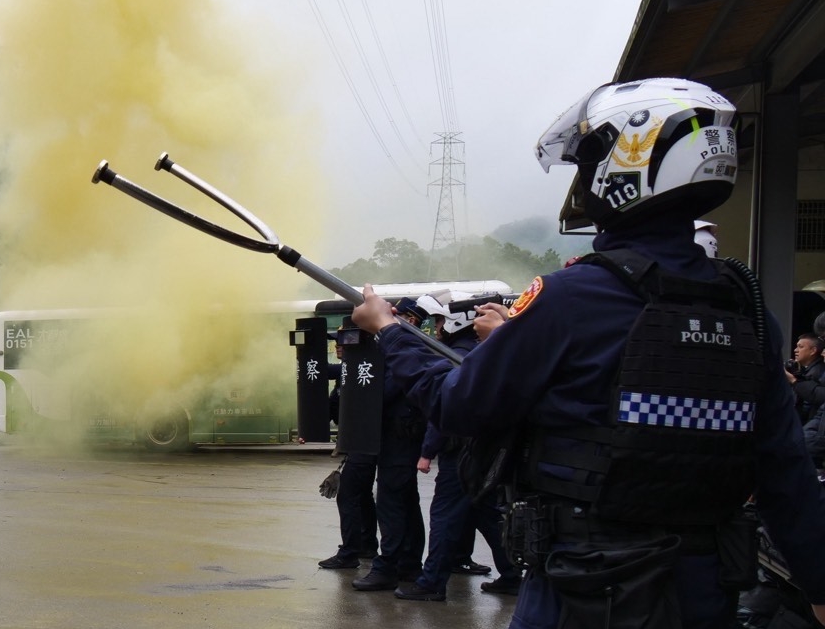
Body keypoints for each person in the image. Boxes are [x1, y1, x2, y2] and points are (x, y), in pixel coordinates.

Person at [352, 77, 825, 628]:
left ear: (626, 164)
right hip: (705, 590)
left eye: (589, 161)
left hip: (581, 587)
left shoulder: (570, 298)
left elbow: (457, 404)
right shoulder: (747, 311)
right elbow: (785, 472)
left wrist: (390, 331)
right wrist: (819, 583)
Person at [396, 294, 522, 602]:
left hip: (460, 452)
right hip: (480, 448)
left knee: (444, 515)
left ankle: (431, 583)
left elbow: (445, 410)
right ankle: (512, 574)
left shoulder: (456, 354)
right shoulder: (477, 350)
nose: (437, 326)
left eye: (440, 320)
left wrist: (427, 451)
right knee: (485, 512)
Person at [351, 302, 428, 591]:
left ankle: (389, 567)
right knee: (406, 502)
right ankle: (409, 564)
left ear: (410, 320)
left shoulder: (404, 352)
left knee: (392, 504)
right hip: (399, 439)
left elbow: (383, 392)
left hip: (400, 439)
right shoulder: (411, 348)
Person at [321, 334, 380, 570]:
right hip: (357, 442)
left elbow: (324, 370)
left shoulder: (359, 367)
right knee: (362, 495)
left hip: (363, 443)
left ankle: (349, 553)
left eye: (344, 342)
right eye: (336, 343)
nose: (338, 346)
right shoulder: (348, 370)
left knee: (348, 495)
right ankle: (366, 545)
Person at [787, 333, 825, 424]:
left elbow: (807, 405)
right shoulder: (808, 370)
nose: (795, 350)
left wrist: (793, 380)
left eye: (801, 347)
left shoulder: (816, 373)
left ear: (813, 351)